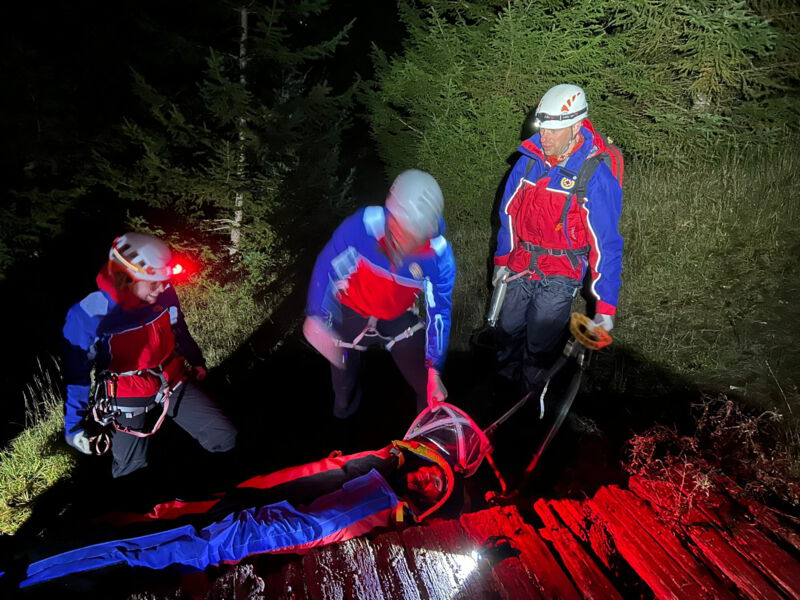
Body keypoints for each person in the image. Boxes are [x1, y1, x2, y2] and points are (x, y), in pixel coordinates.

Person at [62, 232, 238, 479]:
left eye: (165, 281)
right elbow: (76, 376)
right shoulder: (89, 315)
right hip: (126, 394)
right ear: (125, 277)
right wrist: (73, 427)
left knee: (225, 437)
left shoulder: (164, 293)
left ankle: (222, 487)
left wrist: (195, 359)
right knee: (132, 469)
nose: (163, 288)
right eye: (154, 282)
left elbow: (177, 327)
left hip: (171, 379)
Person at [492, 84, 623, 395]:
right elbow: (507, 214)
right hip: (521, 262)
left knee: (540, 339)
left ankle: (530, 396)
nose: (544, 137)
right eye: (542, 128)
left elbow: (605, 245)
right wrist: (501, 260)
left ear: (576, 127)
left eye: (554, 130)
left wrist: (605, 306)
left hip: (562, 269)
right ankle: (502, 389)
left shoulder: (593, 176)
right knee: (506, 329)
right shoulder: (528, 161)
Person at [304, 169, 456, 418]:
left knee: (429, 390)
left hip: (397, 317)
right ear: (390, 214)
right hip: (352, 311)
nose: (405, 242)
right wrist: (316, 315)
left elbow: (439, 312)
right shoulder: (365, 225)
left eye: (415, 235)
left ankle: (423, 434)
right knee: (343, 389)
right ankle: (343, 417)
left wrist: (434, 369)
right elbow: (327, 264)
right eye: (401, 229)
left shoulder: (438, 256)